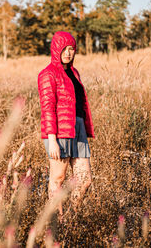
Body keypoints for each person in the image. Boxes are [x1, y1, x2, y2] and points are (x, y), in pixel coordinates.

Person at [37, 31, 95, 218]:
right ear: (56, 49)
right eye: (65, 49)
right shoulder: (47, 74)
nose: (69, 53)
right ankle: (57, 221)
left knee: (85, 179)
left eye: (72, 49)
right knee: (58, 179)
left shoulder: (74, 72)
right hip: (59, 132)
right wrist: (52, 140)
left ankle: (71, 215)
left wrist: (84, 128)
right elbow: (47, 108)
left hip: (78, 128)